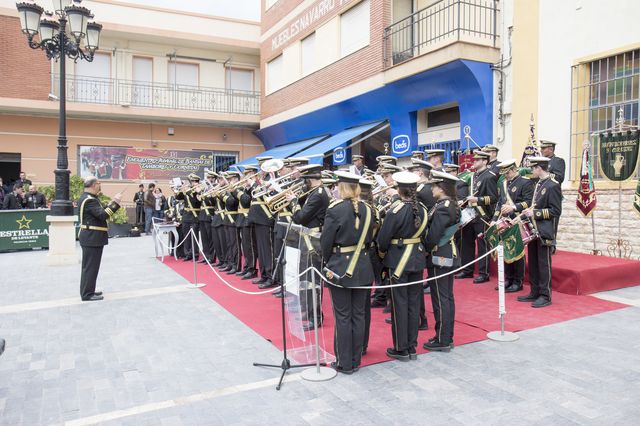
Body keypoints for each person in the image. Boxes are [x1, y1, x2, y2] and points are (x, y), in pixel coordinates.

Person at [321, 171, 375, 374]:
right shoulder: (368, 209)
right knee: (359, 315)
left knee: (343, 316)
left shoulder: (335, 209)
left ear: (342, 187)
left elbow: (326, 242)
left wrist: (328, 262)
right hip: (363, 265)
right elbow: (370, 237)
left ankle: (345, 362)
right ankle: (355, 358)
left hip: (341, 266)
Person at [377, 171, 428, 361]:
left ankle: (401, 347)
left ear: (399, 189)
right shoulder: (422, 208)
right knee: (414, 304)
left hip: (398, 261)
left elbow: (383, 240)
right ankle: (412, 346)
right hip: (416, 259)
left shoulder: (395, 210)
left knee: (399, 304)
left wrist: (382, 256)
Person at [423, 170, 461, 352]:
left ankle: (443, 338)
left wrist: (424, 248)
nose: (431, 189)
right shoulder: (446, 204)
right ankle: (445, 336)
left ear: (441, 187)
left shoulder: (444, 207)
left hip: (441, 255)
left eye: (434, 186)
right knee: (445, 296)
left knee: (441, 297)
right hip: (445, 254)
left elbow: (434, 235)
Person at [518, 157, 562, 308]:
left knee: (543, 264)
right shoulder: (538, 184)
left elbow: (556, 211)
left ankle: (545, 295)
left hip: (544, 230)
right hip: (534, 230)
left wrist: (535, 213)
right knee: (534, 263)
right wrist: (529, 211)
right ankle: (535, 291)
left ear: (539, 168)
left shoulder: (553, 185)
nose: (531, 171)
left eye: (533, 168)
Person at [290, 164, 330, 330]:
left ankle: (316, 316)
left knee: (311, 280)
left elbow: (300, 217)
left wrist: (293, 202)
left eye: (304, 180)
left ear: (311, 179)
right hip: (308, 239)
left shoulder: (317, 195)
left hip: (312, 241)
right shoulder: (314, 193)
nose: (303, 183)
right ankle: (308, 310)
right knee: (305, 279)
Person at [491, 159, 534, 293]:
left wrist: (513, 207)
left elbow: (528, 202)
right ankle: (508, 279)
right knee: (506, 250)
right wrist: (494, 219)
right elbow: (500, 203)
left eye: (508, 172)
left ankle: (518, 281)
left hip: (518, 221)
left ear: (514, 170)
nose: (506, 175)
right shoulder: (504, 184)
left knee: (518, 251)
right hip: (505, 221)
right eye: (504, 173)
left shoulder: (525, 182)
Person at [456, 150, 497, 283]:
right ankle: (467, 270)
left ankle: (484, 273)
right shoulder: (473, 176)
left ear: (485, 161)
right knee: (467, 243)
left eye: (477, 160)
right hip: (471, 214)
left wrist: (477, 200)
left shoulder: (489, 176)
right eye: (474, 160)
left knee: (482, 244)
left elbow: (493, 198)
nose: (474, 162)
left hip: (483, 215)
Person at [78, 176, 122, 301]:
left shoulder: (89, 198)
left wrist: (112, 202)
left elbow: (99, 211)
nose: (100, 184)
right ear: (93, 185)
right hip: (92, 237)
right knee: (90, 267)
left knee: (91, 267)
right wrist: (116, 204)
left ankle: (89, 290)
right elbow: (103, 215)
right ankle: (87, 294)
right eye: (98, 182)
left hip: (91, 237)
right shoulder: (89, 200)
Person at [248, 156, 276, 287]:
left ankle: (271, 276)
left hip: (266, 218)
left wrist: (255, 184)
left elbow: (270, 197)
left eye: (263, 166)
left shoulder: (272, 179)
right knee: (261, 249)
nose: (261, 168)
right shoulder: (263, 179)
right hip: (258, 219)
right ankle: (264, 274)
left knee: (267, 250)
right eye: (260, 166)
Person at [238, 166, 259, 280]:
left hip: (250, 218)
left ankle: (252, 268)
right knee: (245, 246)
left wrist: (241, 191)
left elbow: (247, 201)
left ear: (253, 174)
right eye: (245, 175)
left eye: (248, 175)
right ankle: (247, 267)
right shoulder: (247, 187)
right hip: (244, 218)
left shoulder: (256, 185)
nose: (245, 177)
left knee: (250, 246)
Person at [176, 174, 202, 261]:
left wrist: (190, 192)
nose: (193, 183)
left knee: (194, 237)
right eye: (192, 182)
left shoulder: (198, 191)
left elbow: (197, 202)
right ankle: (187, 253)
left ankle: (195, 254)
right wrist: (181, 189)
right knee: (186, 236)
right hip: (186, 216)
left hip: (194, 215)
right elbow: (178, 197)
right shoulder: (187, 191)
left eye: (194, 181)